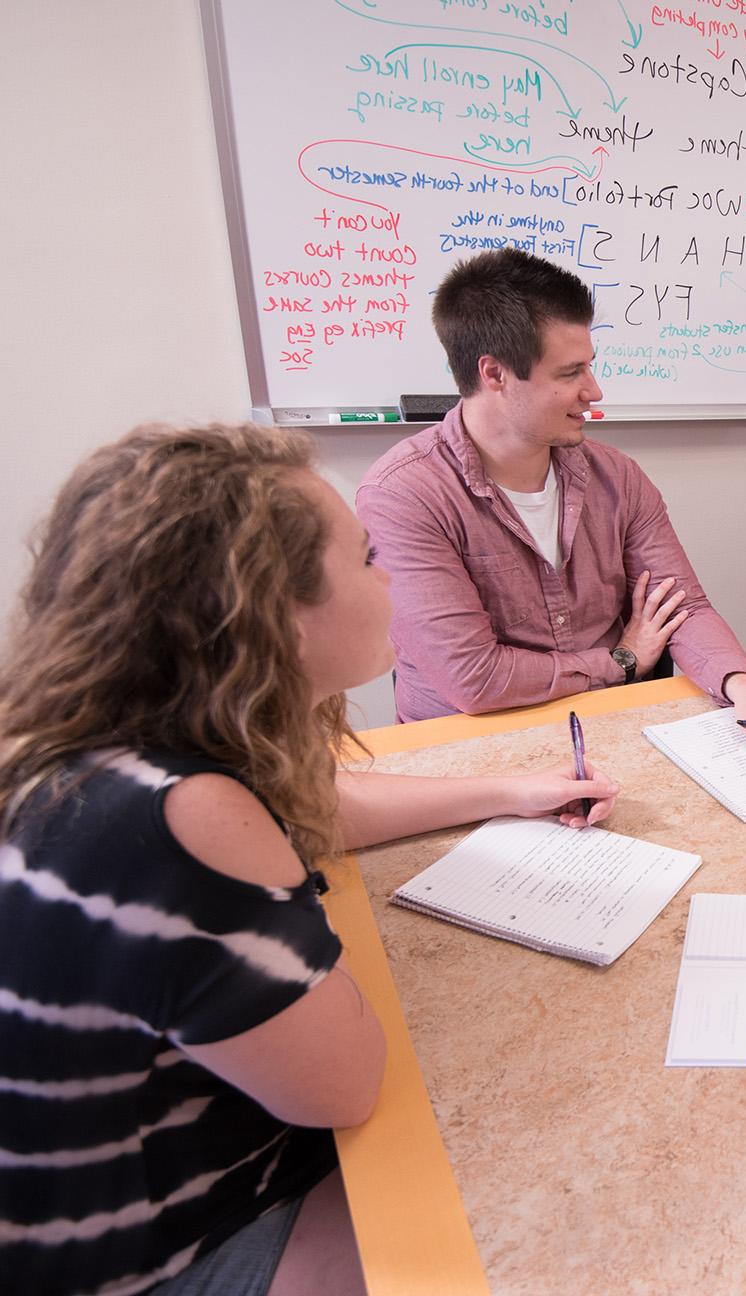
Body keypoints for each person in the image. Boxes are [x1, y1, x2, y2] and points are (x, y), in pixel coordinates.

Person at [0, 424, 619, 1296]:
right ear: (276, 617)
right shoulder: (182, 818)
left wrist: (508, 791)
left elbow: (323, 808)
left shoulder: (116, 738)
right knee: (530, 1185)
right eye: (367, 559)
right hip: (166, 1253)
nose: (390, 578)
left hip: (131, 1182)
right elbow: (345, 1086)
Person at [356, 249, 746, 763]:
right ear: (495, 374)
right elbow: (476, 679)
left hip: (610, 733)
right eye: (570, 372)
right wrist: (620, 660)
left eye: (590, 366)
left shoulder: (615, 477)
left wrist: (743, 688)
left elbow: (680, 606)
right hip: (472, 755)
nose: (593, 391)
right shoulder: (403, 496)